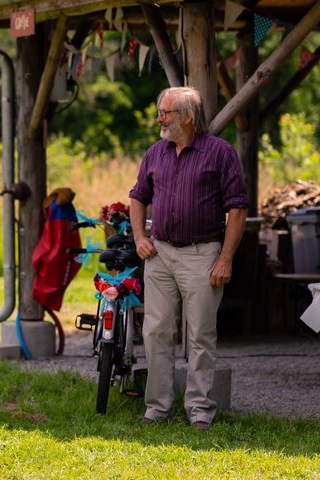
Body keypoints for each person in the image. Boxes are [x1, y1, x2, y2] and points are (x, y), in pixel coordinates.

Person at [129, 86, 249, 431]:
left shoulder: (220, 153)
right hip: (161, 254)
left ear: (188, 116)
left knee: (200, 335)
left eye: (166, 112)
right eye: (160, 111)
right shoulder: (155, 152)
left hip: (203, 254)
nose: (159, 118)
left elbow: (238, 208)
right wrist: (140, 237)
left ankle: (199, 410)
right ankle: (157, 407)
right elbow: (138, 197)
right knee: (156, 332)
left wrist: (225, 258)